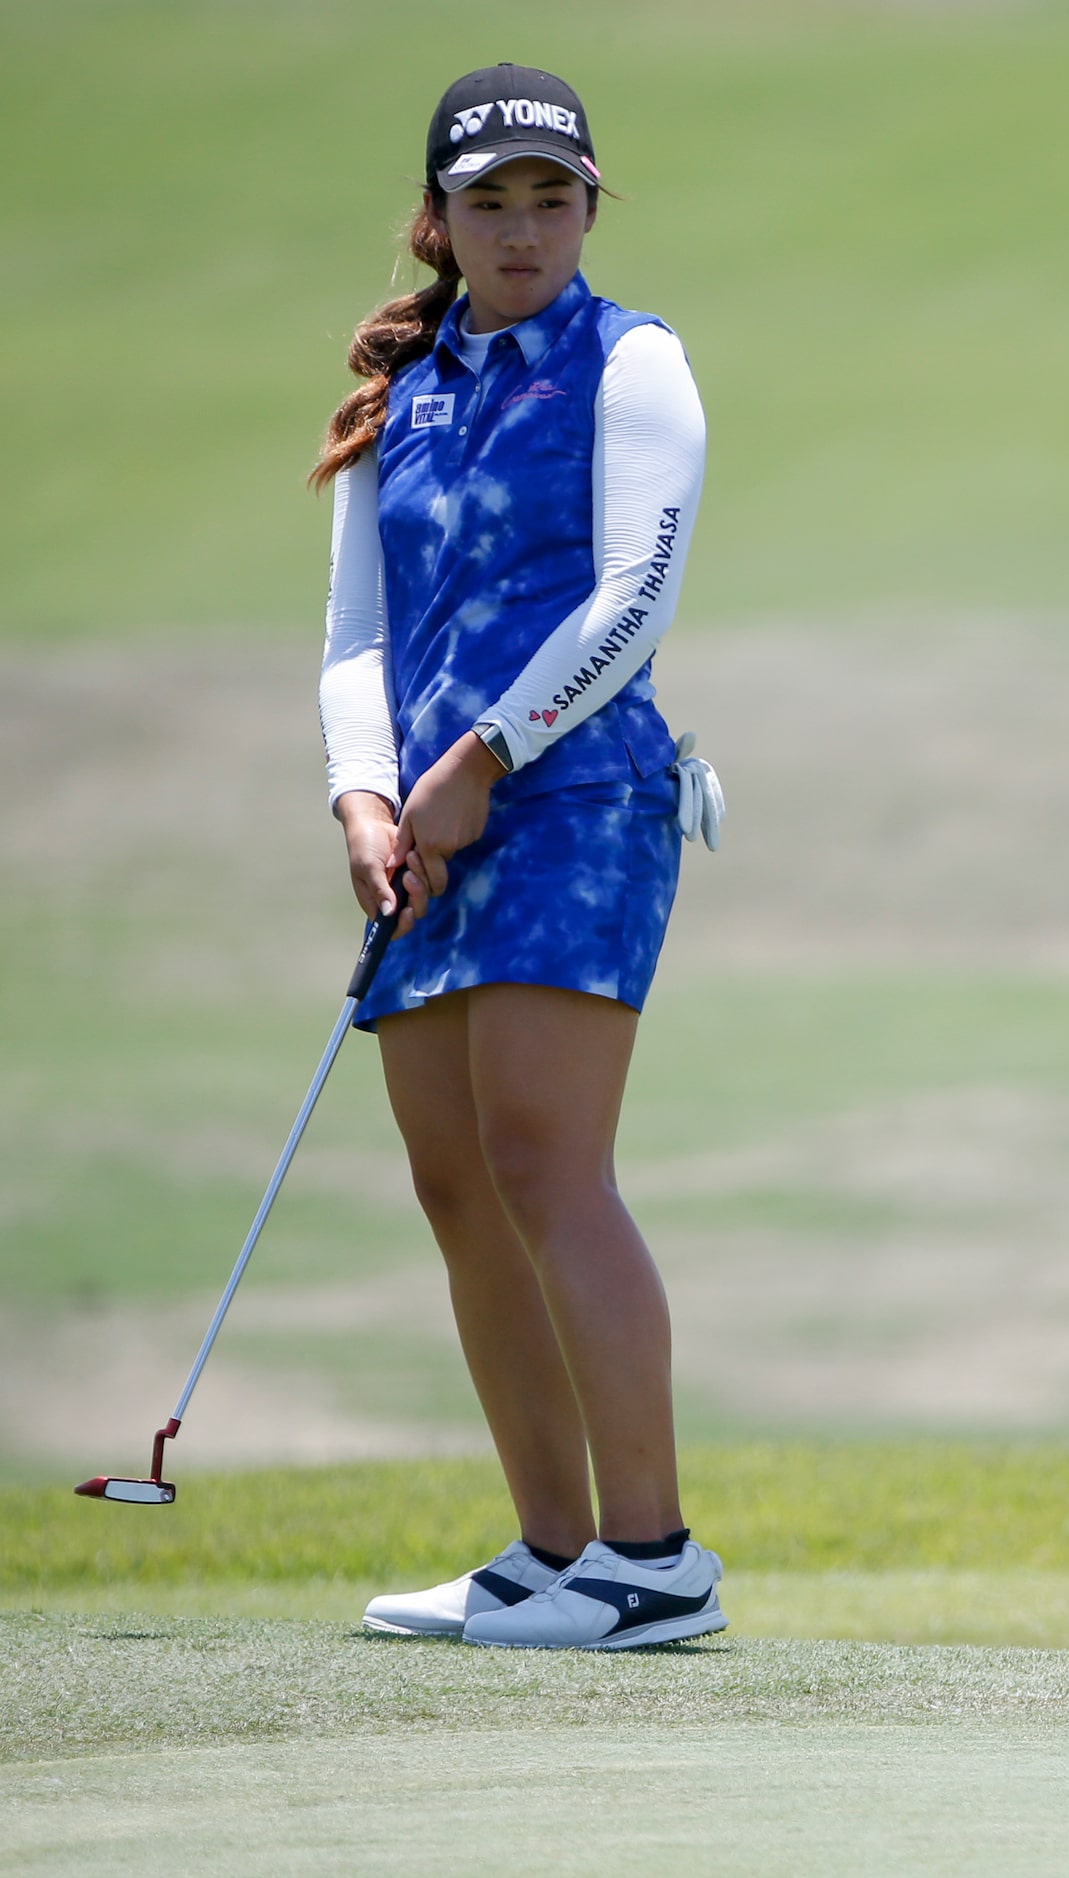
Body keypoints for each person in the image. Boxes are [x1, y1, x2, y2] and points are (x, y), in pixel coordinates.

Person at [313, 64, 725, 1649]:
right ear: (440, 220)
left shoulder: (636, 364)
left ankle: (655, 1557)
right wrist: (365, 794)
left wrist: (483, 754)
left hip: (578, 796)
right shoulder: (394, 390)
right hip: (422, 819)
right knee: (457, 1182)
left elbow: (635, 602)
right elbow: (357, 633)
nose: (525, 227)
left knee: (548, 1157)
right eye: (490, 201)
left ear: (588, 208)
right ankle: (554, 1552)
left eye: (554, 198)